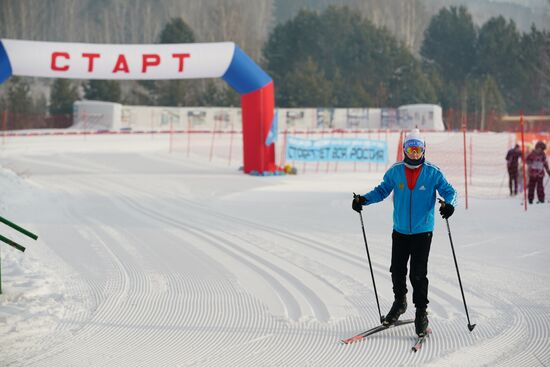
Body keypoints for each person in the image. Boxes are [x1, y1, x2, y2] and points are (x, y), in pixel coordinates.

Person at [352, 129, 457, 337]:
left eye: (418, 149)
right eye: (411, 148)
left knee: (418, 274)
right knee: (397, 270)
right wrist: (363, 199)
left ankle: (421, 312)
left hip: (422, 231)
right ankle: (400, 303)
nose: (415, 153)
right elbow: (382, 191)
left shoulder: (432, 172)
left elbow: (450, 191)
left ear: (424, 149)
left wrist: (449, 205)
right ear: (405, 149)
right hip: (400, 230)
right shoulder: (396, 171)